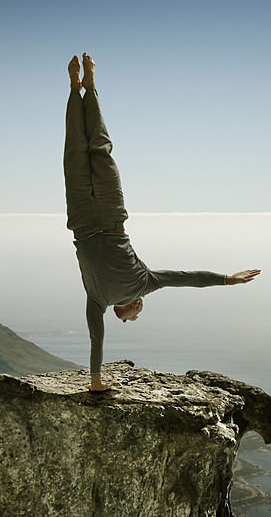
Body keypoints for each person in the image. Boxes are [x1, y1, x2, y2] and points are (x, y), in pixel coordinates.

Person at [64, 53, 260, 392]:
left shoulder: (109, 296)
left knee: (86, 152)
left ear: (127, 309)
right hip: (96, 219)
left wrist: (230, 280)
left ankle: (77, 89)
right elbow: (188, 279)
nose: (134, 317)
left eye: (132, 319)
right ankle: (87, 88)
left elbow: (188, 279)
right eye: (136, 318)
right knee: (89, 152)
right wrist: (228, 280)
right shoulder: (134, 287)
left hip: (96, 218)